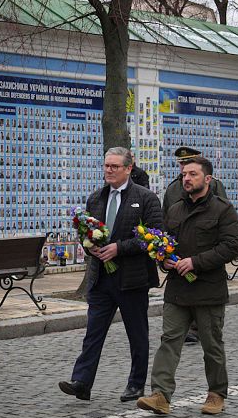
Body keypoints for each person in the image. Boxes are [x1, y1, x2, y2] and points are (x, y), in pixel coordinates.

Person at [137, 156, 238, 416]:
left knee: (211, 344)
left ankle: (216, 394)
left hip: (208, 290)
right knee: (169, 340)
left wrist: (195, 262)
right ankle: (160, 395)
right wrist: (165, 261)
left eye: (193, 174)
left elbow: (231, 247)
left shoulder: (223, 210)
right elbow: (165, 245)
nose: (186, 178)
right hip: (177, 289)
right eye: (184, 174)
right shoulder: (174, 210)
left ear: (207, 179)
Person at [57, 147, 163, 403]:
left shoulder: (146, 198)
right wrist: (89, 246)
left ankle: (136, 384)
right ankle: (82, 382)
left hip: (132, 279)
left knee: (137, 334)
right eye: (106, 166)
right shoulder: (96, 198)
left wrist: (119, 248)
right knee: (93, 332)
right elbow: (87, 232)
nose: (109, 170)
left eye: (114, 166)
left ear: (128, 168)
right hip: (101, 278)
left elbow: (154, 236)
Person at [162, 147, 228, 344]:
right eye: (182, 165)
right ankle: (189, 326)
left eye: (189, 164)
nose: (184, 169)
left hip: (205, 250)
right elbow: (167, 216)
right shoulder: (174, 188)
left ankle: (199, 326)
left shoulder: (215, 185)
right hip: (179, 255)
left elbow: (223, 213)